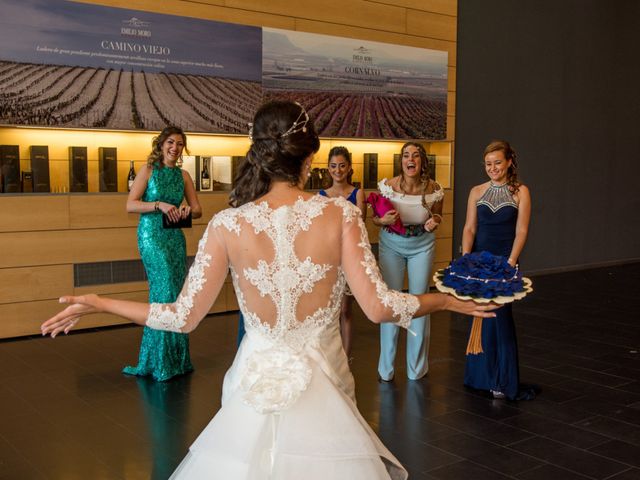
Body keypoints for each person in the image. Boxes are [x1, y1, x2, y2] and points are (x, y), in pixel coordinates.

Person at [42, 101, 496, 479]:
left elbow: (181, 317)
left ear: (258, 154)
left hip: (251, 384)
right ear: (309, 158)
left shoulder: (227, 224)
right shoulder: (339, 216)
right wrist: (445, 298)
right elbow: (378, 308)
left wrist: (99, 303)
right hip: (325, 383)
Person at [123, 126, 202, 382]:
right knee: (164, 289)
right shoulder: (148, 171)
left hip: (174, 237)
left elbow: (198, 209)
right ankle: (159, 360)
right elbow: (130, 204)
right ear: (161, 144)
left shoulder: (184, 176)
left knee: (175, 293)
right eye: (170, 142)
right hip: (151, 237)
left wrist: (184, 211)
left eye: (180, 144)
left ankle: (175, 360)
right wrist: (159, 205)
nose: (175, 148)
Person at [461, 140, 533, 400]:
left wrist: (511, 263)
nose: (492, 168)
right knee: (479, 314)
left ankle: (501, 379)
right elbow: (470, 228)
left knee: (500, 318)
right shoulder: (476, 191)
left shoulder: (521, 191)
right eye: (488, 164)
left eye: (497, 163)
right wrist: (465, 259)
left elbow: (521, 231)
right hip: (479, 263)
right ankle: (480, 377)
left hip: (504, 262)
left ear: (509, 162)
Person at [372, 142, 444, 382]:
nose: (410, 159)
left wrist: (435, 220)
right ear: (401, 161)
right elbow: (375, 219)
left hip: (422, 245)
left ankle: (416, 369)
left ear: (422, 161)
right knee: (391, 301)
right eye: (405, 156)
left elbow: (438, 215)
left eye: (415, 156)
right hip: (391, 243)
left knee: (419, 301)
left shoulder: (434, 188)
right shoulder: (388, 186)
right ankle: (386, 369)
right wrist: (383, 221)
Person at [318, 146, 365, 358]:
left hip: (349, 256)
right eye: (333, 166)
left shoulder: (358, 193)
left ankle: (346, 356)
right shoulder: (320, 196)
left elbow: (360, 224)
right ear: (328, 169)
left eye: (342, 166)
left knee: (346, 309)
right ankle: (330, 354)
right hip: (328, 257)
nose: (338, 170)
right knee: (329, 311)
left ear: (349, 168)